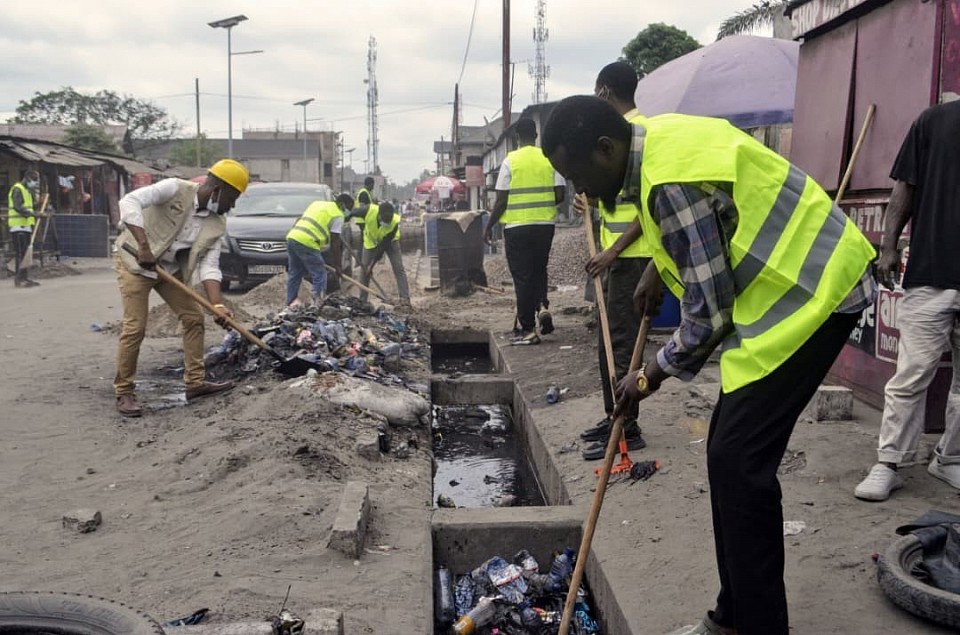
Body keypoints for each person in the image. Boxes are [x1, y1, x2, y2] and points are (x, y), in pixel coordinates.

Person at [541, 96, 876, 635]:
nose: (579, 192)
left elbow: (709, 314)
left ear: (605, 150)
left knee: (739, 463)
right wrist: (656, 265)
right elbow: (702, 221)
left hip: (819, 293)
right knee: (728, 454)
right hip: (787, 293)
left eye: (577, 176)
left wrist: (648, 376)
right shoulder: (651, 143)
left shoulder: (666, 182)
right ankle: (733, 614)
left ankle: (757, 624)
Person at [855, 100, 960, 501]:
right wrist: (888, 246)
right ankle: (889, 463)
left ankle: (949, 459)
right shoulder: (934, 121)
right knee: (912, 374)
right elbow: (905, 187)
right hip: (932, 272)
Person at [113, 159, 249, 418]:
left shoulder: (216, 223)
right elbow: (128, 202)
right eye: (233, 198)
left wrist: (218, 305)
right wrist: (143, 246)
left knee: (194, 318)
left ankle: (195, 384)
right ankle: (124, 390)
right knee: (135, 327)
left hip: (167, 269)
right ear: (218, 189)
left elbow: (210, 266)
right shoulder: (174, 188)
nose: (232, 205)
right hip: (133, 261)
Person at [578, 61, 654, 460]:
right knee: (608, 341)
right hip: (617, 258)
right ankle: (615, 417)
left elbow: (649, 209)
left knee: (623, 345)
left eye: (596, 92)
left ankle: (628, 426)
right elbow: (619, 199)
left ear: (605, 91)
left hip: (633, 258)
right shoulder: (620, 135)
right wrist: (590, 200)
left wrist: (613, 250)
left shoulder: (638, 133)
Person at [483, 117, 566, 345]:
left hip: (517, 227)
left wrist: (488, 227)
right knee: (539, 269)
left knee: (522, 277)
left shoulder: (511, 161)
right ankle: (541, 306)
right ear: (536, 136)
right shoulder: (548, 159)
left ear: (517, 138)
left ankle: (528, 329)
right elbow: (560, 194)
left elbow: (500, 201)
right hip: (544, 226)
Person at [285, 193, 351, 308]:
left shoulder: (317, 204)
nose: (349, 212)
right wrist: (338, 266)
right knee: (320, 273)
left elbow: (299, 219)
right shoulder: (338, 215)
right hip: (308, 241)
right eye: (349, 208)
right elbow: (335, 243)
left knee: (295, 273)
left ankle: (290, 302)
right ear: (342, 205)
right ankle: (318, 305)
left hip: (292, 237)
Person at [359, 200, 410, 306]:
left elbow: (383, 246)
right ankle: (362, 301)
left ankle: (405, 299)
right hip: (370, 241)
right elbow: (352, 212)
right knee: (364, 270)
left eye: (389, 221)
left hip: (391, 242)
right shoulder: (368, 211)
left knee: (399, 269)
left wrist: (372, 266)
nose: (387, 223)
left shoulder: (395, 222)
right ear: (379, 215)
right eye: (385, 220)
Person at [7, 169, 43, 288]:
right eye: (34, 180)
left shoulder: (27, 191)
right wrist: (33, 214)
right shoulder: (17, 189)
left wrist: (39, 206)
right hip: (18, 226)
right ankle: (18, 279)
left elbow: (29, 207)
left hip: (26, 226)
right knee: (20, 253)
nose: (35, 183)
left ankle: (25, 277)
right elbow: (18, 207)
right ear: (27, 178)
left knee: (26, 253)